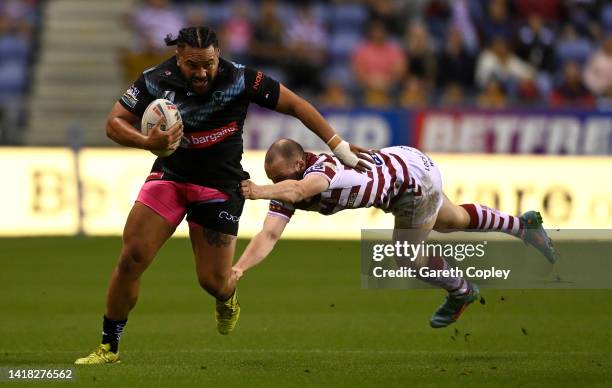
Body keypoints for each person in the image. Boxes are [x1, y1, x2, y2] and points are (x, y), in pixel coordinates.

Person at [75, 26, 370, 365]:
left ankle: (227, 297)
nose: (202, 72)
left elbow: (296, 105)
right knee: (132, 258)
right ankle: (108, 348)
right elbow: (114, 122)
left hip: (219, 187)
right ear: (178, 58)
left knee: (213, 282)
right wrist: (147, 143)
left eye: (209, 64)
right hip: (170, 177)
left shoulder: (242, 79)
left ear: (219, 56)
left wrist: (339, 146)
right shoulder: (155, 79)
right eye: (192, 65)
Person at [235, 139, 557, 328]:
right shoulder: (288, 187)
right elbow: (269, 235)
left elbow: (302, 188)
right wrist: (239, 269)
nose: (276, 184)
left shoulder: (322, 169)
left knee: (405, 254)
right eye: (272, 179)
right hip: (404, 162)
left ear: (300, 161)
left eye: (279, 177)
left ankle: (462, 291)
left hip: (409, 185)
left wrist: (260, 190)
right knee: (453, 219)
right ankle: (523, 227)